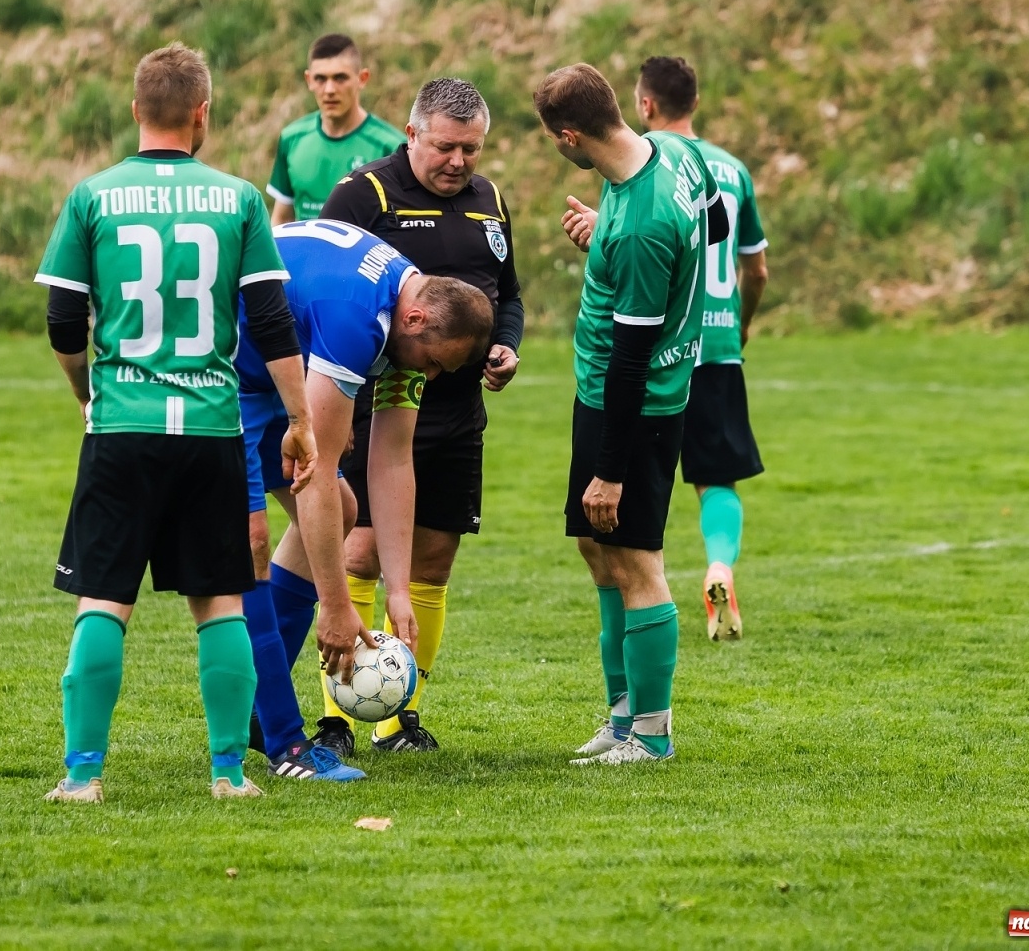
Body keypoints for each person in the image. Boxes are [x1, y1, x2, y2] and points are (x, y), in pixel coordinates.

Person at [35, 44, 320, 804]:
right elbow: (271, 319)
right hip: (211, 429)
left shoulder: (93, 195)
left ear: (136, 111)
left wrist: (83, 389)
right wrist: (299, 418)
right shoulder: (237, 200)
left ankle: (83, 776)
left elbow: (64, 316)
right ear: (204, 115)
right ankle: (228, 772)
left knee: (104, 601)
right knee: (220, 601)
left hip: (122, 425)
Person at [235, 218, 493, 779]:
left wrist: (398, 590)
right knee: (255, 546)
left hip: (273, 373)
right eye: (431, 362)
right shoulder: (359, 317)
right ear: (417, 319)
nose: (427, 373)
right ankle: (278, 737)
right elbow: (317, 471)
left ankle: (255, 711)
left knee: (346, 512)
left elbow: (394, 458)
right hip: (226, 375)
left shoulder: (411, 316)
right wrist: (335, 606)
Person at [313, 77, 523, 754]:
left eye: (472, 149)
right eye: (445, 147)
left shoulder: (490, 201)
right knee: (361, 548)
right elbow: (328, 293)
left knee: (433, 560)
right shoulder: (364, 195)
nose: (459, 161)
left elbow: (507, 293)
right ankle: (337, 715)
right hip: (370, 402)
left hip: (456, 413)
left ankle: (399, 711)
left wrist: (504, 344)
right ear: (412, 135)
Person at [533, 62, 727, 766]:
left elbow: (632, 356)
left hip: (635, 405)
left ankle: (651, 732)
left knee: (636, 558)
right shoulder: (670, 153)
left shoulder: (642, 227)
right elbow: (715, 224)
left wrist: (610, 472)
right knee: (596, 547)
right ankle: (621, 719)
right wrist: (604, 236)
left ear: (568, 134)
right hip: (604, 395)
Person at [563, 57, 769, 641]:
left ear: (646, 106)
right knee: (716, 480)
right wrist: (743, 324)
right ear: (696, 102)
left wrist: (613, 238)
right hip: (716, 340)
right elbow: (751, 266)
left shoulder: (641, 170)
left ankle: (642, 720)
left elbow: (648, 247)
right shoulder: (720, 166)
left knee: (625, 539)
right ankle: (719, 564)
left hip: (649, 353)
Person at [267, 33, 403, 225]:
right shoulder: (292, 138)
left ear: (362, 78)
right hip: (306, 254)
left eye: (340, 78)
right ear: (309, 80)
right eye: (320, 79)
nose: (330, 89)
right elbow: (282, 219)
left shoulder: (392, 147)